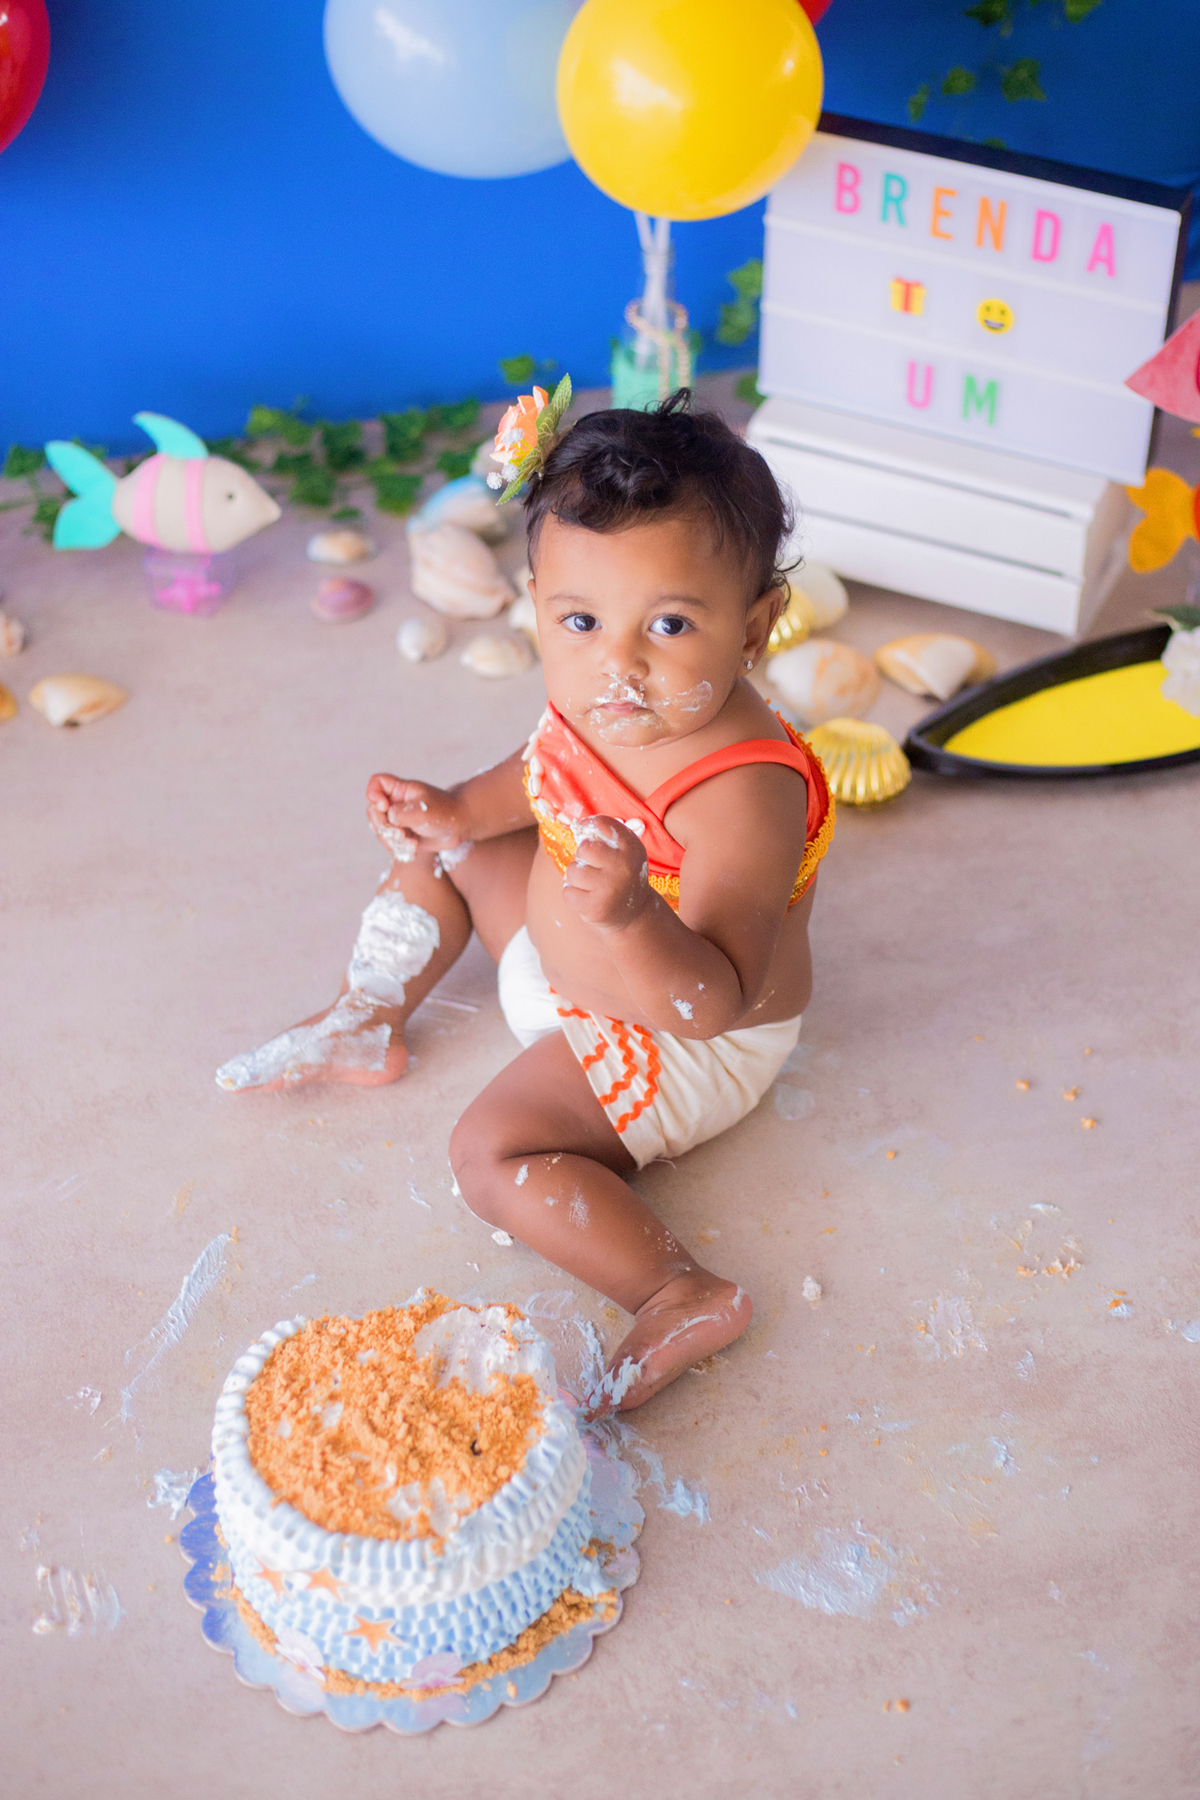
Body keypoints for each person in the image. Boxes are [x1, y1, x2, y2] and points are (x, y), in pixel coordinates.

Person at [216, 389, 833, 1415]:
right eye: (580, 621)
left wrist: (632, 918)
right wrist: (457, 807)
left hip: (673, 1034)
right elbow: (544, 766)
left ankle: (678, 1289)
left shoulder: (738, 793)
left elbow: (713, 1000)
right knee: (450, 850)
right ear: (538, 599)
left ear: (756, 627)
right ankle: (368, 1013)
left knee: (491, 1152)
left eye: (671, 623)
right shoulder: (609, 693)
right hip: (570, 952)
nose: (619, 663)